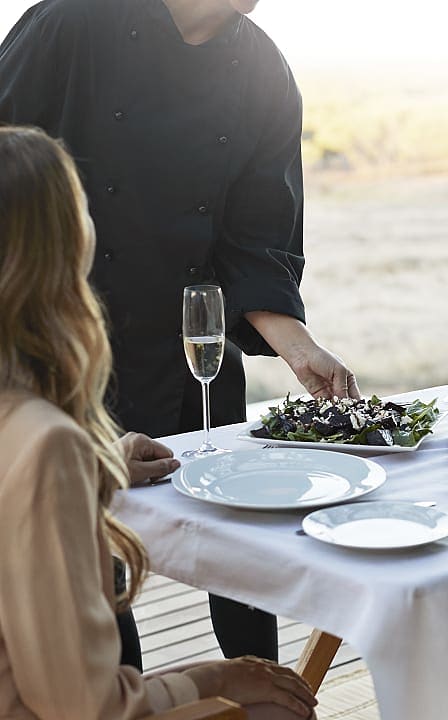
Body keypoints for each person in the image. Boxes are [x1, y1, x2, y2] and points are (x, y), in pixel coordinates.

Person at [0, 0, 359, 667]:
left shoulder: (264, 72)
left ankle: (269, 693)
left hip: (194, 350)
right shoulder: (70, 24)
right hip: (68, 348)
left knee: (243, 544)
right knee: (93, 562)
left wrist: (302, 353)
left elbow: (257, 243)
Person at [0, 125, 318, 719]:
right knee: (280, 705)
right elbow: (83, 705)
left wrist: (98, 468)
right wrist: (221, 676)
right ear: (64, 249)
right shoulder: (46, 444)